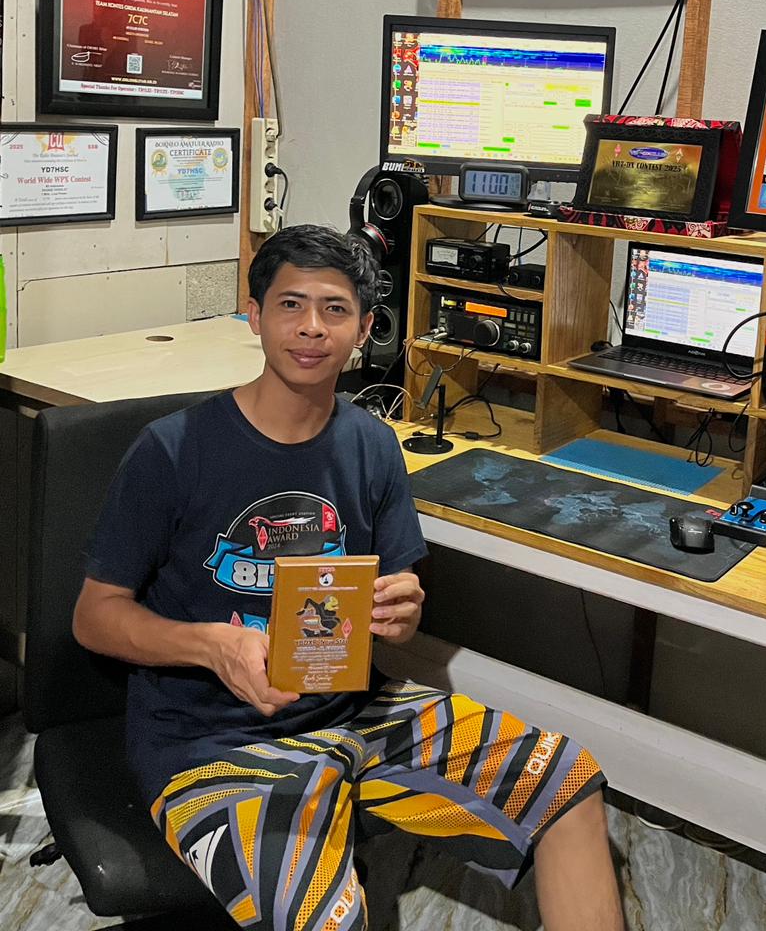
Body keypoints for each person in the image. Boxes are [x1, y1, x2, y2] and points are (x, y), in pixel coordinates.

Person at [73, 224, 625, 931]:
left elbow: (396, 599)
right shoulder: (173, 450)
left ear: (365, 328)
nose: (311, 327)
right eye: (290, 305)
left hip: (358, 710)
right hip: (211, 743)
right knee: (322, 917)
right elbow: (95, 615)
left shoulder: (373, 446)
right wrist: (212, 646)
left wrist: (404, 610)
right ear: (255, 316)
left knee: (567, 781)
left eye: (334, 309)